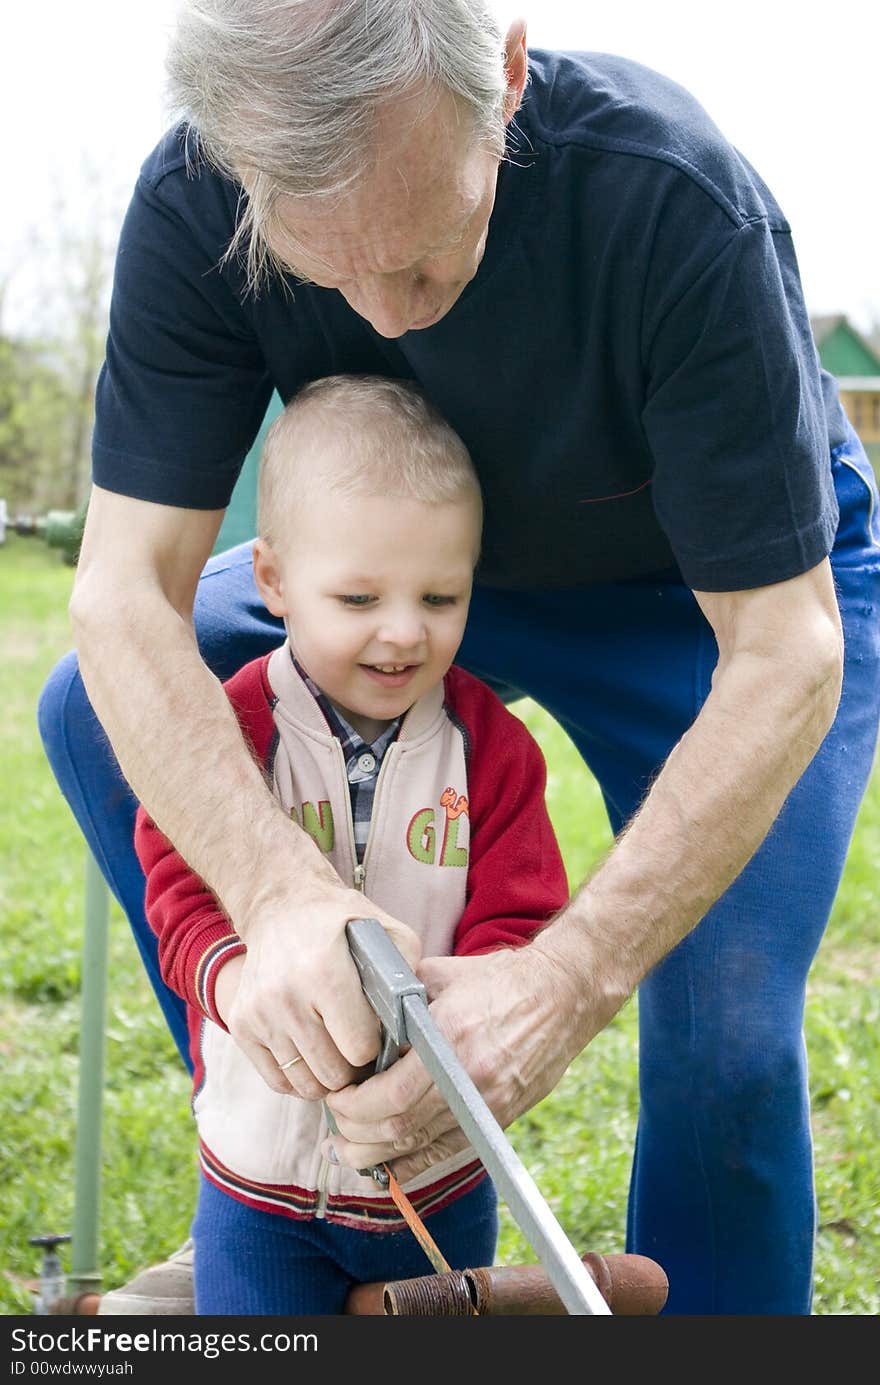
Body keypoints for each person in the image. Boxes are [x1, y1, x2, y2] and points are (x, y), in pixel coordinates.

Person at [37, 0, 880, 1316]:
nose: (384, 309)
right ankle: (281, 1169)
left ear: (506, 75)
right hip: (428, 580)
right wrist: (274, 899)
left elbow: (784, 650)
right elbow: (123, 595)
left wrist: (558, 983)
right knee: (101, 712)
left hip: (708, 592)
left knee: (723, 1020)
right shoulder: (197, 193)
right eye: (327, 269)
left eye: (425, 256)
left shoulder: (677, 206)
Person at [131, 374, 569, 1315]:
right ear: (276, 579)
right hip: (257, 1183)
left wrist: (475, 1005)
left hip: (438, 1179)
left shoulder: (492, 752)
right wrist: (239, 983)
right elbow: (179, 890)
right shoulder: (226, 730)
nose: (404, 632)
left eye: (441, 595)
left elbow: (520, 920)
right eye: (360, 595)